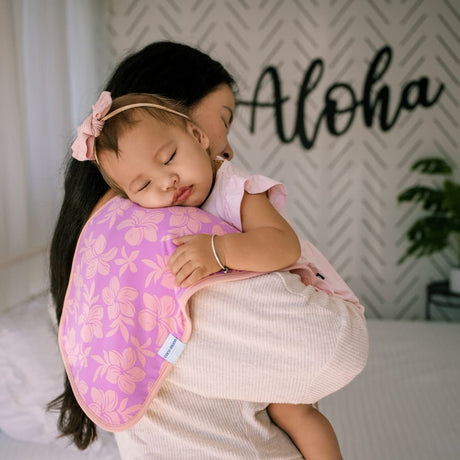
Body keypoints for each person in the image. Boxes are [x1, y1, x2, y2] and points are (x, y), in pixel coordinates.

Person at [50, 41, 368, 459]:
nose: (165, 181)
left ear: (192, 132)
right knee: (292, 411)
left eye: (169, 157)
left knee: (299, 414)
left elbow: (283, 245)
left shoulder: (234, 188)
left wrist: (218, 251)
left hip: (308, 283)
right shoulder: (149, 218)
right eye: (143, 185)